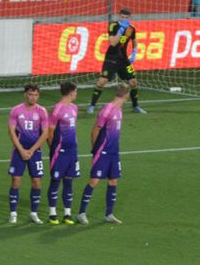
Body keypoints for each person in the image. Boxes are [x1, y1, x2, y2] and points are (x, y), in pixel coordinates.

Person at [78, 83, 129, 224]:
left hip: (114, 152)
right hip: (103, 152)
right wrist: (95, 150)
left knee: (113, 181)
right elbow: (95, 130)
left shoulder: (119, 110)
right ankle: (81, 213)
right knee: (94, 180)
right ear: (127, 95)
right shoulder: (107, 110)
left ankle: (109, 214)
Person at [88, 7, 146, 114]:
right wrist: (120, 31)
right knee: (102, 81)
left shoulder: (131, 28)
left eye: (126, 18)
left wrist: (134, 51)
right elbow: (113, 43)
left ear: (130, 17)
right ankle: (92, 105)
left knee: (133, 82)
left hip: (123, 59)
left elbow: (134, 39)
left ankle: (136, 106)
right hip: (111, 58)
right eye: (122, 17)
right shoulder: (113, 25)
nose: (124, 19)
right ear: (119, 16)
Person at [7, 83, 49, 225]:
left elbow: (45, 134)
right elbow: (11, 132)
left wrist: (31, 150)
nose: (33, 97)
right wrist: (21, 150)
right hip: (19, 151)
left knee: (37, 182)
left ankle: (34, 213)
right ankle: (13, 213)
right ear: (25, 94)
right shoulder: (16, 110)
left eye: (36, 95)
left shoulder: (42, 111)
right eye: (31, 94)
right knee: (16, 181)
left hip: (35, 152)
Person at [46, 81, 81, 225]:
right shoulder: (57, 109)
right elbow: (50, 131)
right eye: (76, 91)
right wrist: (53, 149)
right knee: (55, 181)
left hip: (72, 152)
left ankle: (67, 213)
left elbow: (73, 130)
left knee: (69, 181)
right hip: (59, 152)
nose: (76, 94)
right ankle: (52, 213)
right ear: (71, 92)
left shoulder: (74, 108)